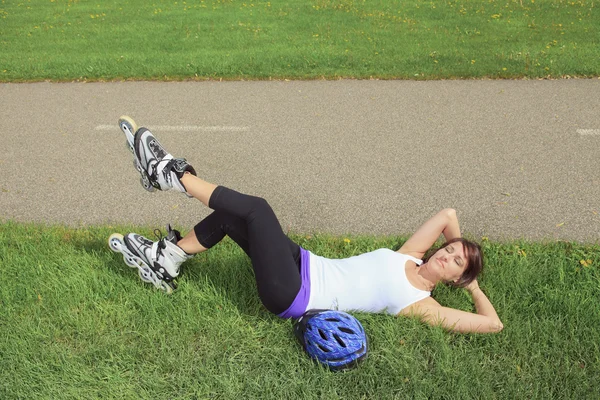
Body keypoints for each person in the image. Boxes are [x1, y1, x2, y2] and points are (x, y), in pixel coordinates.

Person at [109, 118, 503, 335]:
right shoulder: (409, 255)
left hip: (294, 294)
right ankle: (167, 258)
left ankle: (172, 175)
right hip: (302, 262)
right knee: (233, 215)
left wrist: (474, 285)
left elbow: (492, 324)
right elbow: (449, 214)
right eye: (450, 250)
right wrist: (462, 249)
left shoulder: (422, 306)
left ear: (455, 279)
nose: (447, 254)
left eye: (455, 262)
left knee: (257, 210)